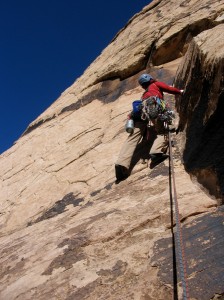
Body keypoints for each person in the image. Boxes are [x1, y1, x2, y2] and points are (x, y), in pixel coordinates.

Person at [115, 73, 184, 183]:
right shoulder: (155, 84)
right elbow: (168, 88)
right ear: (151, 79)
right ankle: (156, 152)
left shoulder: (144, 94)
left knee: (132, 139)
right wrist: (180, 92)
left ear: (143, 85)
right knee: (162, 131)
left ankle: (121, 163)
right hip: (153, 108)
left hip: (140, 113)